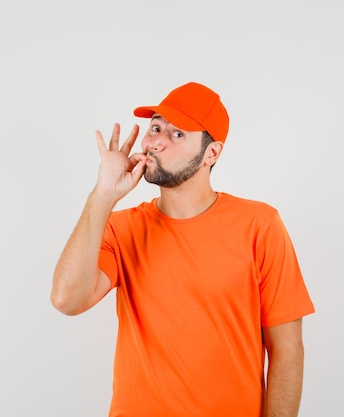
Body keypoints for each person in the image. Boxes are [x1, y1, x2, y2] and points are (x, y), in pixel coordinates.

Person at [51, 82, 315, 417]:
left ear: (212, 153)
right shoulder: (121, 228)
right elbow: (66, 300)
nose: (156, 141)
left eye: (178, 135)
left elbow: (286, 350)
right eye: (156, 128)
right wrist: (103, 194)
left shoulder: (259, 225)